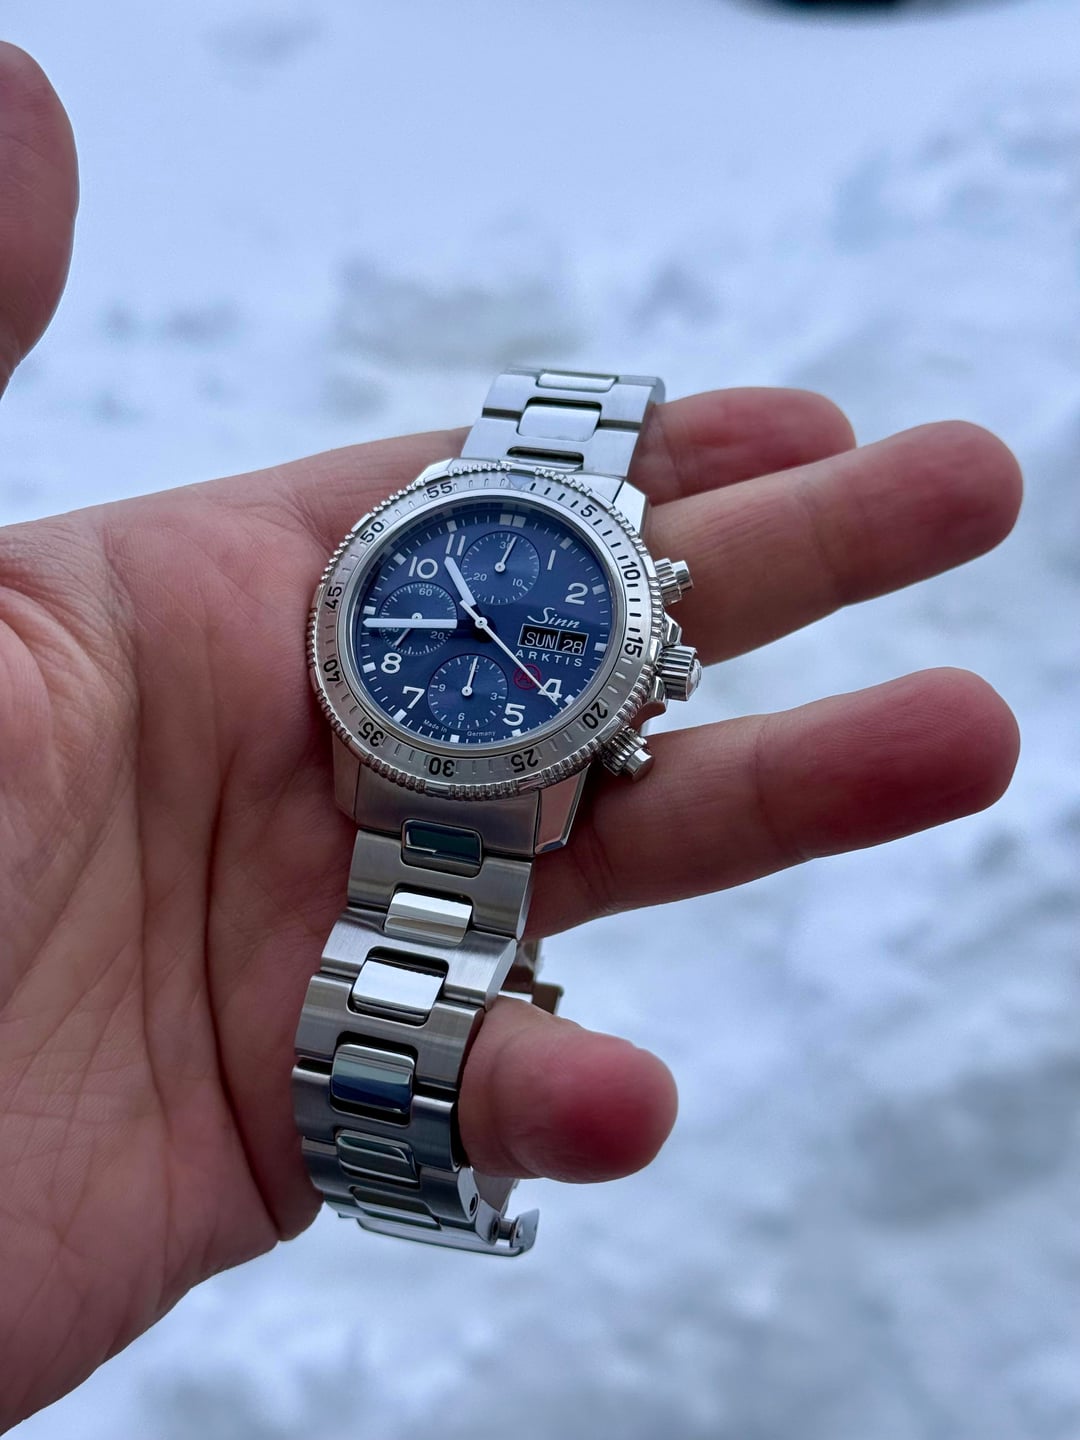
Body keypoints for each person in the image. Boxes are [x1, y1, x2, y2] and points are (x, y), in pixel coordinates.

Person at [0, 40, 1021, 1432]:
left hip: (476, 770)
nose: (481, 622)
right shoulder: (390, 610)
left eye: (529, 629)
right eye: (462, 606)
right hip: (395, 747)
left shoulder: (595, 650)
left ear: (647, 667)